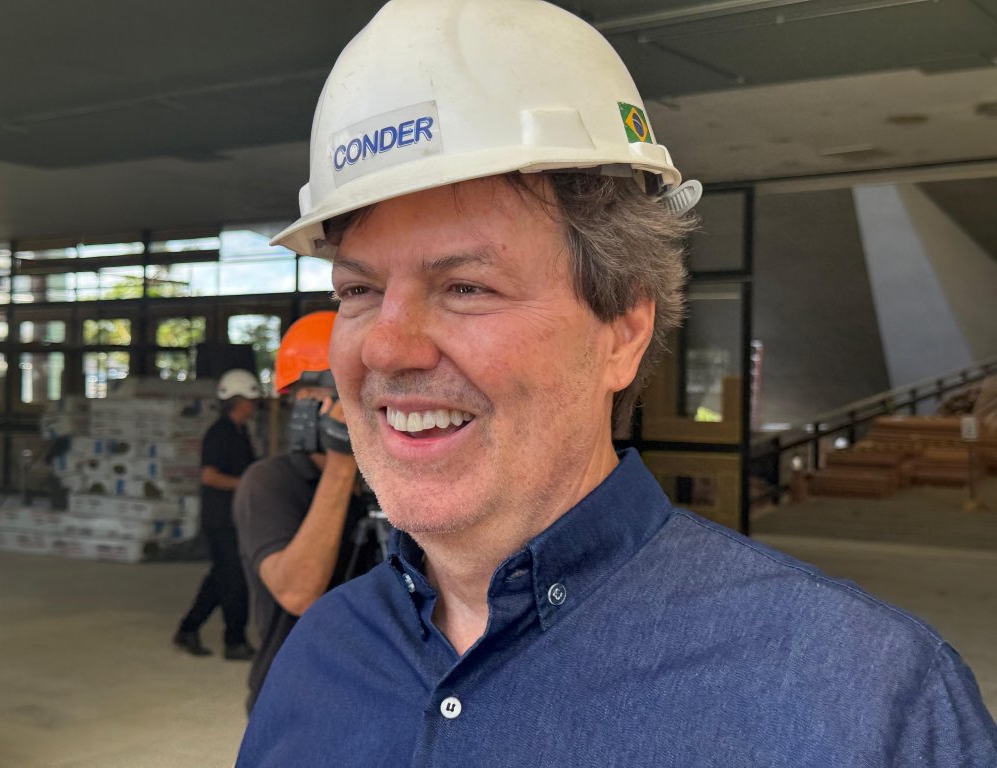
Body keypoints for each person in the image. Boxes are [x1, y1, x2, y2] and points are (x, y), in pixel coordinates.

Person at [238, 0, 997, 765]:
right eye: (358, 291)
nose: (386, 346)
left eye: (466, 287)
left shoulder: (860, 705)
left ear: (624, 331)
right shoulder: (320, 661)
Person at [233, 311, 380, 713]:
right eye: (346, 395)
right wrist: (341, 464)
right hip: (297, 699)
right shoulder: (268, 482)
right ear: (303, 402)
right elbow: (296, 593)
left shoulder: (388, 485)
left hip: (378, 696)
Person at [173, 369, 259, 661]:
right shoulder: (219, 433)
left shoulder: (240, 432)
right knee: (234, 579)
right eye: (251, 400)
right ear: (239, 401)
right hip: (220, 519)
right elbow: (209, 476)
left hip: (235, 516)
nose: (254, 405)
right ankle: (235, 641)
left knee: (221, 577)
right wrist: (244, 484)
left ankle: (188, 629)